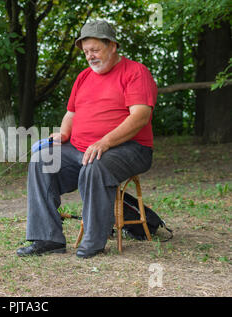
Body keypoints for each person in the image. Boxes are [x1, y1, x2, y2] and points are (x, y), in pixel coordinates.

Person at [17, 20, 157, 259]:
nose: (90, 56)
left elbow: (140, 117)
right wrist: (63, 134)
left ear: (112, 46)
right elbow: (71, 113)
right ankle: (48, 238)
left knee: (95, 165)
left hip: (130, 148)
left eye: (95, 50)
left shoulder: (136, 72)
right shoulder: (83, 77)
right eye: (86, 52)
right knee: (42, 160)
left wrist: (105, 142)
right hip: (79, 149)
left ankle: (94, 242)